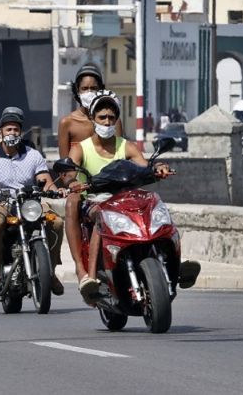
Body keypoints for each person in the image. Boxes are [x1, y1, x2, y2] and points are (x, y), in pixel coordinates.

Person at [63, 92, 196, 304]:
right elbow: (69, 172)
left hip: (127, 199)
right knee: (95, 214)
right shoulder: (81, 148)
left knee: (156, 206)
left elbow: (144, 166)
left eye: (111, 118)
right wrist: (72, 183)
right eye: (102, 117)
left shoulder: (126, 146)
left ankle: (175, 260)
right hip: (97, 201)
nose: (107, 122)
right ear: (93, 119)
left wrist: (157, 169)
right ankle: (88, 276)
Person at [0, 107, 66, 293]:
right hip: (4, 203)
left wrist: (56, 191)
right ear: (0, 132)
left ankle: (51, 270)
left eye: (16, 129)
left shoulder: (33, 155)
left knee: (56, 222)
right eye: (8, 129)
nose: (12, 133)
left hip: (31, 202)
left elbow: (45, 181)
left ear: (21, 132)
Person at [57, 63, 122, 159]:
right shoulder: (67, 122)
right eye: (84, 88)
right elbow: (64, 163)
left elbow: (119, 155)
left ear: (101, 90)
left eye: (93, 88)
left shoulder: (113, 121)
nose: (89, 92)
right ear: (77, 91)